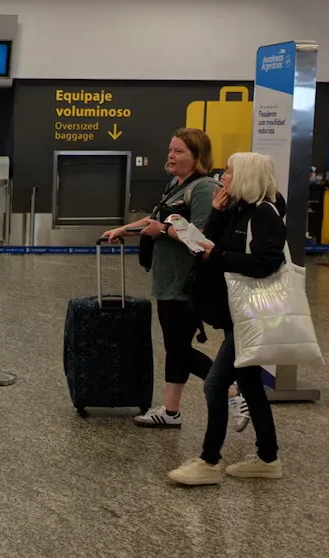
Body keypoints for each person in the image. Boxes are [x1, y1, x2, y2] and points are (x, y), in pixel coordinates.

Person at [103, 128, 249, 430]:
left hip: (187, 283)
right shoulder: (175, 185)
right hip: (167, 279)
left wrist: (163, 231)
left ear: (197, 156)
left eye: (179, 151)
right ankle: (171, 411)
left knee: (179, 349)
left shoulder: (204, 189)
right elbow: (155, 218)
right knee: (175, 346)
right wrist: (124, 229)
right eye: (170, 149)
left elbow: (202, 238)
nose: (171, 156)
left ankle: (233, 392)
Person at [168, 151, 286, 485]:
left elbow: (267, 263)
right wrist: (217, 215)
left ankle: (209, 461)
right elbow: (209, 247)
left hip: (252, 315)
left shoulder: (264, 214)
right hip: (238, 314)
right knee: (250, 384)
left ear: (247, 175)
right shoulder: (239, 210)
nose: (224, 177)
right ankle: (268, 458)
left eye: (231, 172)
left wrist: (217, 255)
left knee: (216, 384)